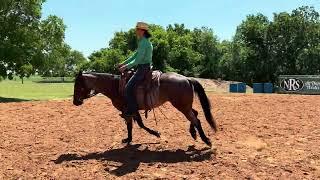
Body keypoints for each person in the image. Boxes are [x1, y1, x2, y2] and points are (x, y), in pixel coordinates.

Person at [118, 22, 153, 118]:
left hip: (143, 68)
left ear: (142, 31)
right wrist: (123, 63)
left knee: (128, 89)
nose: (136, 31)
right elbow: (135, 55)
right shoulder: (144, 41)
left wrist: (125, 67)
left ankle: (133, 109)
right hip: (145, 67)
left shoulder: (143, 42)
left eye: (137, 29)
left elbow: (138, 60)